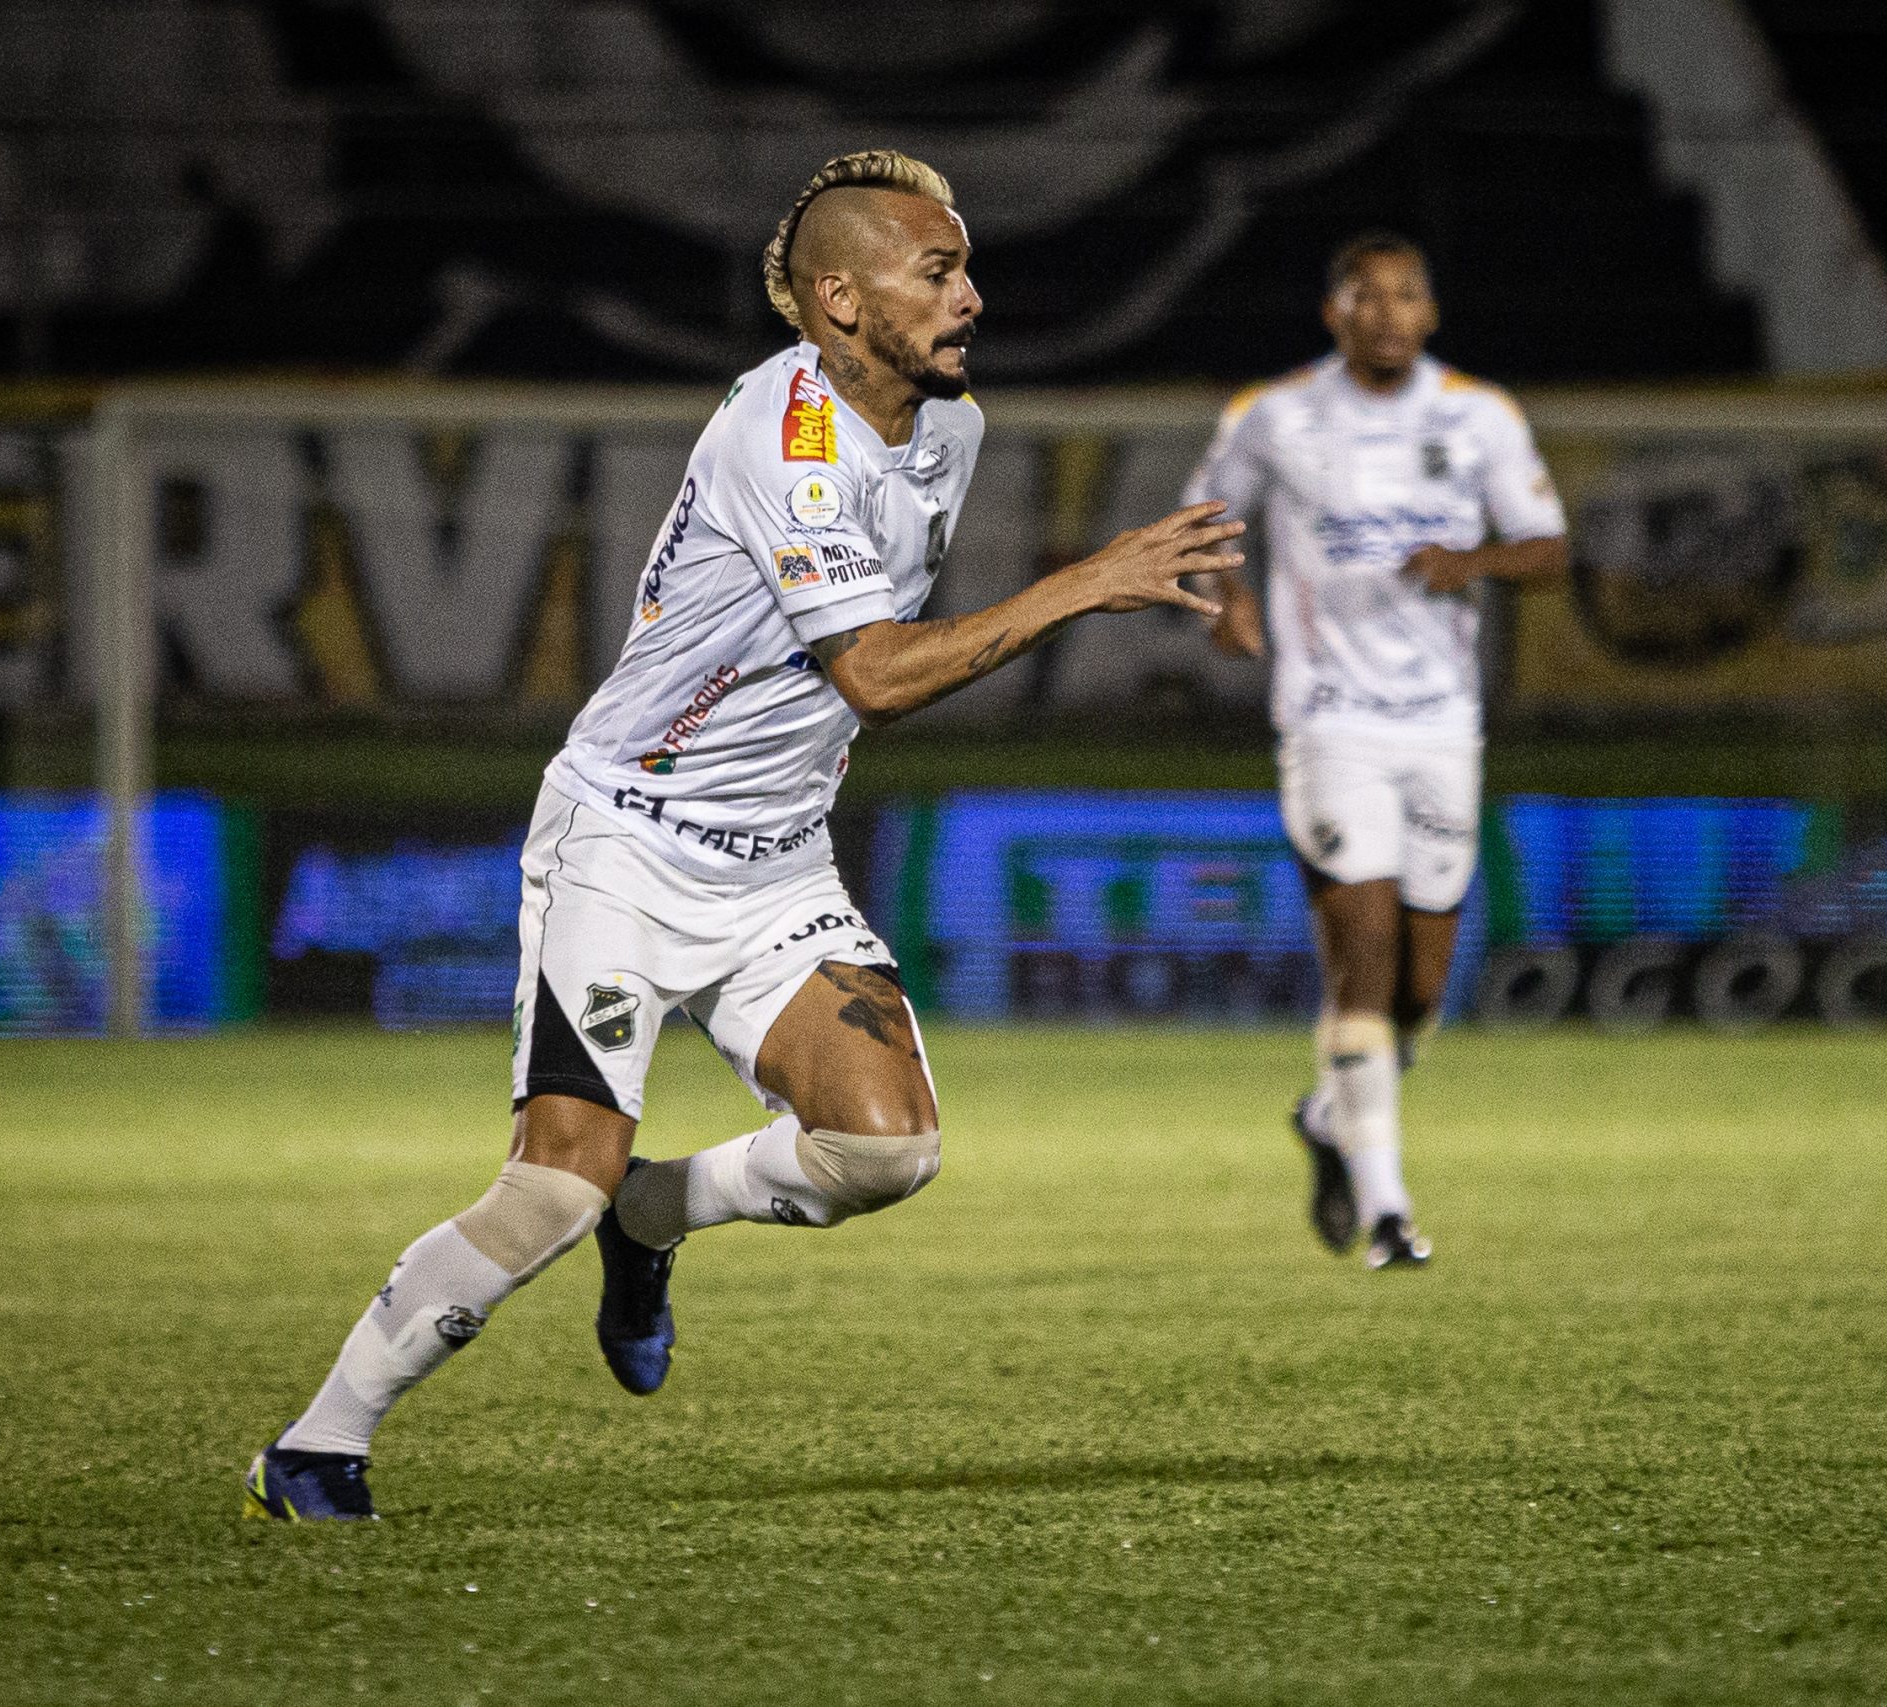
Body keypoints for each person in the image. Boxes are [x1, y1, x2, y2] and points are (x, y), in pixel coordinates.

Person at [246, 150, 1243, 1520]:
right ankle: (316, 1445)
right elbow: (876, 675)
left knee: (887, 1152)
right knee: (551, 1188)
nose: (971, 298)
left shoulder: (949, 430)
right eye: (938, 271)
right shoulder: (787, 439)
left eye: (967, 268)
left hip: (776, 861)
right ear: (842, 301)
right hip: (626, 840)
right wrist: (1083, 581)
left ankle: (651, 1215)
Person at [1182, 232, 1567, 1270]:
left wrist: (1471, 561)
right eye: (1368, 296)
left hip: (1443, 726)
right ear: (1334, 313)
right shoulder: (1275, 415)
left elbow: (1548, 549)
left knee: (1419, 998)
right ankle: (1389, 1213)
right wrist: (1226, 597)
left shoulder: (1479, 415)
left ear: (1429, 313)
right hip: (1330, 721)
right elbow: (1202, 521)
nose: (1388, 313)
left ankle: (1327, 1117)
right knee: (1363, 967)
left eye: (1406, 295)